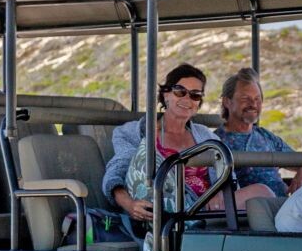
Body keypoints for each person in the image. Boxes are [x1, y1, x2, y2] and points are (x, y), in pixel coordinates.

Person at [102, 63, 271, 231]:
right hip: (168, 213)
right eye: (180, 91)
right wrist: (129, 204)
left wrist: (217, 194)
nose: (187, 99)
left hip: (209, 209)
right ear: (166, 94)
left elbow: (228, 178)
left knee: (264, 195)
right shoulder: (134, 133)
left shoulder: (207, 136)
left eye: (195, 95)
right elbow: (116, 172)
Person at [215, 67, 301, 198]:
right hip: (249, 209)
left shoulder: (266, 136)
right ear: (227, 101)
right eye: (245, 98)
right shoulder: (217, 141)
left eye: (257, 99)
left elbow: (300, 161)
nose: (253, 104)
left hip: (285, 205)